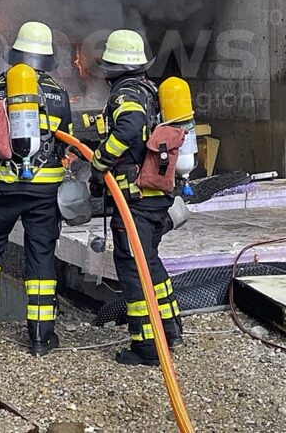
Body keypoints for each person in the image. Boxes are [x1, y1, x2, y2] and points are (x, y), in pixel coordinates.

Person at [0, 21, 73, 356]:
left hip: (0, 187)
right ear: (46, 57)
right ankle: (41, 337)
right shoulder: (57, 92)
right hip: (43, 191)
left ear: (15, 53)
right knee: (40, 256)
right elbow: (66, 138)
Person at [89, 29, 182, 366]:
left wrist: (100, 161)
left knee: (133, 268)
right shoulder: (148, 90)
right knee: (150, 262)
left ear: (112, 68)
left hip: (136, 199)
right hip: (155, 195)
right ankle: (169, 330)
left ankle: (147, 346)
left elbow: (129, 128)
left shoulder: (125, 94)